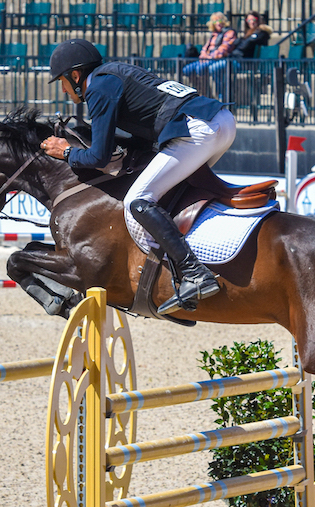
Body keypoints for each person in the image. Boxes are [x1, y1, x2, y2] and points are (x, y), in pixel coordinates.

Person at [39, 38, 236, 315]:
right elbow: (141, 137)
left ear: (75, 75)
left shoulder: (97, 87)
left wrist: (67, 152)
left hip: (198, 130)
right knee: (172, 196)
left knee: (139, 200)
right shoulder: (115, 73)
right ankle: (182, 271)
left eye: (62, 80)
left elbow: (99, 158)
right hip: (219, 120)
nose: (62, 89)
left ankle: (195, 274)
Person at [182, 12, 238, 101]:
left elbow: (224, 49)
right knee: (187, 69)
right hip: (207, 59)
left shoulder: (229, 33)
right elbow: (205, 48)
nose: (219, 23)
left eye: (220, 20)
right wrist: (203, 55)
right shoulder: (213, 34)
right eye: (216, 21)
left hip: (219, 58)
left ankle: (208, 96)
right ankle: (202, 92)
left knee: (200, 68)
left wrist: (209, 57)